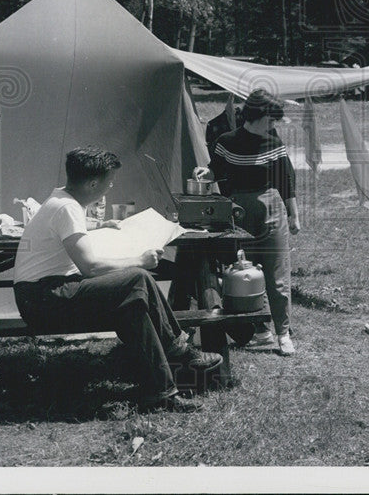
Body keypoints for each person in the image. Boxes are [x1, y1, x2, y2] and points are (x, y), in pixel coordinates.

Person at [13, 147, 222, 413]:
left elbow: (68, 231)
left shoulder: (62, 200)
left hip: (43, 294)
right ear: (91, 183)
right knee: (137, 278)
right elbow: (90, 267)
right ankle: (180, 350)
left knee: (132, 308)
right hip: (44, 299)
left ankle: (161, 394)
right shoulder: (66, 208)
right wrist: (140, 260)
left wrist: (97, 225)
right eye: (108, 181)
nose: (110, 186)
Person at [209, 89, 301, 356]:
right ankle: (261, 330)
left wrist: (294, 214)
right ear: (257, 116)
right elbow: (216, 167)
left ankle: (283, 333)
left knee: (277, 273)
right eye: (271, 120)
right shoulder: (227, 140)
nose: (274, 126)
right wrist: (207, 171)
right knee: (245, 273)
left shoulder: (273, 141)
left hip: (271, 209)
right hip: (239, 211)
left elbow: (287, 179)